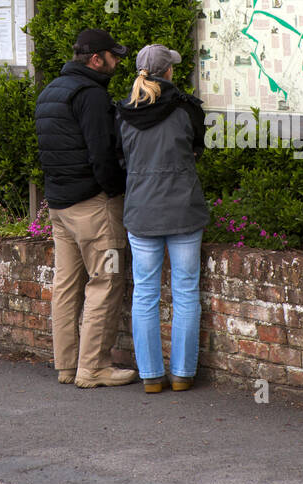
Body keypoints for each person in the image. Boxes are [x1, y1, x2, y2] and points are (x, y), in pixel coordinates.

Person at [34, 28, 137, 388]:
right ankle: (93, 368)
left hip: (59, 205)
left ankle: (66, 366)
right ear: (96, 59)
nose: (117, 62)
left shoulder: (51, 91)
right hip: (93, 206)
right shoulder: (91, 96)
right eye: (113, 56)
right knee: (105, 281)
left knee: (66, 286)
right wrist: (116, 190)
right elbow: (102, 155)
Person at [115, 45, 209, 394]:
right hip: (183, 208)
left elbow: (119, 159)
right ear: (168, 72)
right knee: (186, 292)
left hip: (142, 211)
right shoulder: (186, 109)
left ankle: (151, 376)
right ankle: (183, 374)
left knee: (144, 294)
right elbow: (197, 148)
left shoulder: (123, 114)